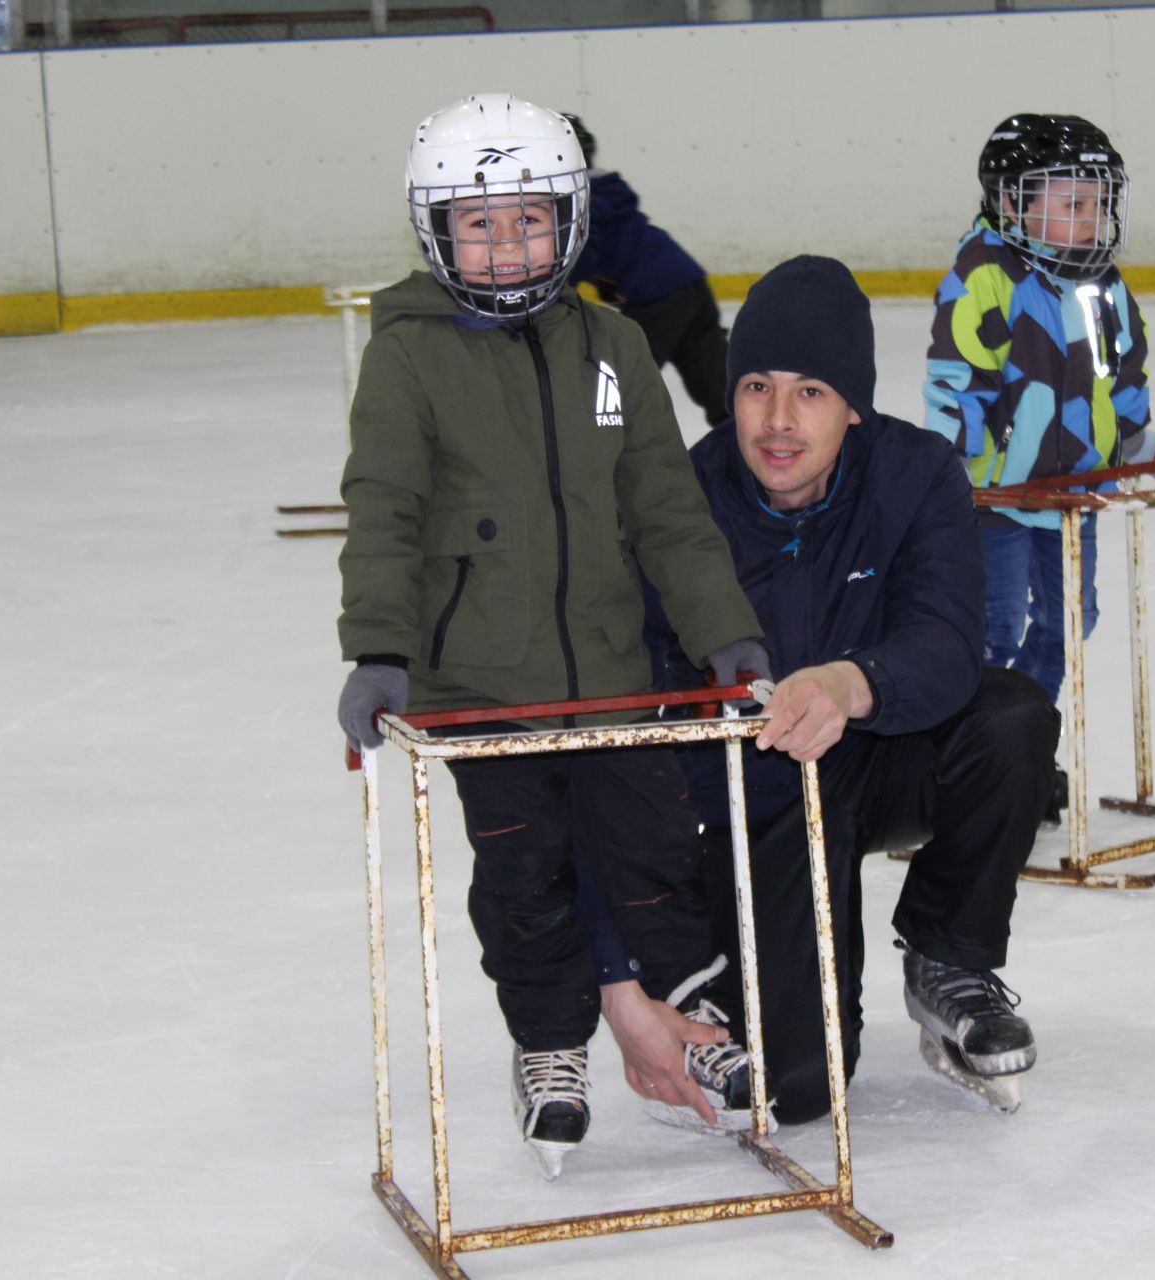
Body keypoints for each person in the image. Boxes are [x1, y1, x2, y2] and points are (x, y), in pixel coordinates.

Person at [333, 92, 769, 1178]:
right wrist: (377, 646)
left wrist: (725, 630)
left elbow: (667, 507)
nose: (506, 244)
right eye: (479, 224)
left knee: (656, 852)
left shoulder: (613, 340)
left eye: (531, 219)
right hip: (479, 679)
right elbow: (382, 503)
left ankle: (690, 1019)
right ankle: (549, 1044)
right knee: (523, 876)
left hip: (615, 667)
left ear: (571, 222)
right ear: (436, 231)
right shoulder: (408, 356)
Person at [599, 255, 1062, 1125]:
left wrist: (853, 683)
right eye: (756, 387)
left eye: (810, 392)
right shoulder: (680, 501)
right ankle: (747, 984)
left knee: (1011, 720)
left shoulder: (917, 472)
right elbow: (639, 712)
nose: (777, 421)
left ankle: (947, 957)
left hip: (882, 756)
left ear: (854, 403)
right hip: (757, 801)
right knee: (801, 1089)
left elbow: (950, 643)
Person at [923, 114, 1155, 822]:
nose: (1090, 220)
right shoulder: (983, 277)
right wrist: (942, 468)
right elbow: (954, 381)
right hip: (994, 498)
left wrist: (1135, 439)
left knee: (1070, 621)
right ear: (1011, 203)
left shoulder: (1103, 286)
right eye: (1071, 204)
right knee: (996, 628)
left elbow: (1121, 371)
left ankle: (1020, 746)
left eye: (1097, 204)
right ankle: (972, 758)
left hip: (1071, 497)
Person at [561, 112, 732, 428]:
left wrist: (554, 287)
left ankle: (601, 446)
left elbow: (583, 252)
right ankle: (736, 440)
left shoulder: (581, 200)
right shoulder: (602, 189)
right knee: (714, 381)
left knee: (622, 377)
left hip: (658, 297)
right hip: (688, 281)